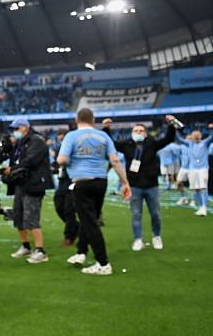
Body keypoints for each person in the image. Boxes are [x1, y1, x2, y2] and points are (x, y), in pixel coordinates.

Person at [57, 108, 131, 275]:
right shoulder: (103, 136)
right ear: (93, 119)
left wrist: (66, 162)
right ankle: (81, 252)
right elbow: (114, 159)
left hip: (82, 182)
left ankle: (103, 263)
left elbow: (62, 159)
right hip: (101, 182)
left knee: (90, 223)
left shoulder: (72, 136)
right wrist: (125, 182)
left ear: (77, 120)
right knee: (88, 218)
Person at [102, 116, 177, 250]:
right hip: (134, 185)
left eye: (141, 130)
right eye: (136, 130)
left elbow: (168, 139)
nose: (138, 132)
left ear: (145, 133)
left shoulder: (152, 143)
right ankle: (138, 239)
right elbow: (111, 143)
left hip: (151, 185)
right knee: (136, 214)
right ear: (132, 132)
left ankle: (156, 236)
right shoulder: (127, 144)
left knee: (155, 214)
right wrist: (106, 129)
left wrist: (171, 125)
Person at [5, 118, 54, 264]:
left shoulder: (36, 141)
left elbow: (31, 160)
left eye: (16, 129)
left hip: (34, 184)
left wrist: (12, 169)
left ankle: (40, 250)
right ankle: (26, 246)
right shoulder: (22, 142)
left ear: (25, 127)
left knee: (31, 218)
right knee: (18, 216)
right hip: (22, 184)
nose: (14, 132)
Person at [175, 125, 213, 216]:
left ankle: (204, 207)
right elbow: (180, 139)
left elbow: (212, 137)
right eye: (194, 135)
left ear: (200, 136)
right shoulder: (189, 144)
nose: (196, 136)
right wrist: (176, 130)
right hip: (192, 169)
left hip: (202, 169)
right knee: (195, 189)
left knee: (203, 188)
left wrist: (211, 129)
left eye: (198, 134)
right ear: (191, 136)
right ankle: (200, 207)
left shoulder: (205, 143)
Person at [51, 129, 78, 246]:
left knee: (69, 209)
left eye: (62, 135)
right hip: (62, 181)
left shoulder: (73, 147)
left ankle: (69, 236)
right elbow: (58, 164)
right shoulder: (59, 148)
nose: (60, 137)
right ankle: (78, 228)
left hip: (71, 180)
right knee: (58, 205)